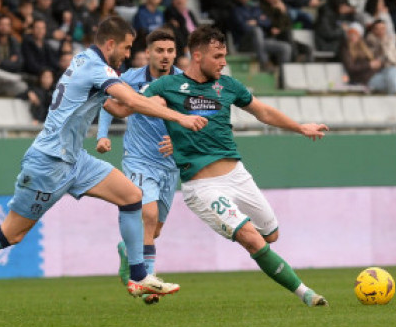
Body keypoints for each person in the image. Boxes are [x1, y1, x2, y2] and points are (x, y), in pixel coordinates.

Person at [0, 17, 208, 310]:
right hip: (49, 163)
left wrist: (146, 100)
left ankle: (138, 276)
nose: (127, 54)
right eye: (125, 47)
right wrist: (181, 117)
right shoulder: (97, 68)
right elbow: (130, 103)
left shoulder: (84, 60)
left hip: (76, 160)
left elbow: (118, 105)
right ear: (110, 44)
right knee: (12, 233)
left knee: (132, 197)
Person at [111, 26, 329, 306]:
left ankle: (131, 251)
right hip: (202, 187)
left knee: (270, 235)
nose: (223, 62)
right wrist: (100, 94)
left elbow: (262, 111)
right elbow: (129, 107)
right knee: (251, 238)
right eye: (218, 56)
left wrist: (300, 127)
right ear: (198, 56)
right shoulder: (166, 86)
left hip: (238, 177)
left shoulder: (228, 86)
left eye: (224, 56)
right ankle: (306, 294)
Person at [96, 29, 182, 304]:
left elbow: (198, 119)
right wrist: (102, 135)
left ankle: (127, 249)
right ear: (148, 53)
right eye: (159, 50)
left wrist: (179, 140)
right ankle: (148, 280)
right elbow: (107, 103)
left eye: (170, 51)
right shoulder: (130, 79)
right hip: (138, 159)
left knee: (154, 229)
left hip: (170, 165)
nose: (165, 56)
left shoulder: (184, 82)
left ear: (175, 53)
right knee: (148, 212)